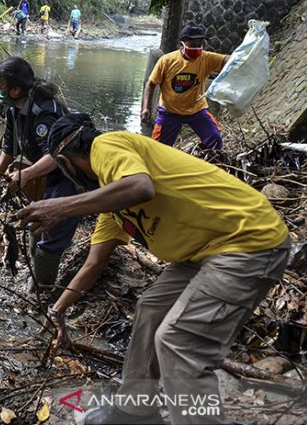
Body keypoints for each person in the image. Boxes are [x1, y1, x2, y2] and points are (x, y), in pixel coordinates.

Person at [16, 113, 291, 425]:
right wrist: (58, 310)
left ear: (66, 161)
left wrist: (61, 207)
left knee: (178, 341)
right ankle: (136, 411)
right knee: (151, 309)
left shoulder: (107, 145)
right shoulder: (112, 202)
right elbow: (94, 263)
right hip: (205, 251)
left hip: (248, 241)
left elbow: (140, 187)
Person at [0, 57, 81, 292]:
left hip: (69, 175)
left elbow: (57, 154)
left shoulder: (44, 111)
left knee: (51, 232)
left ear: (16, 89)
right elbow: (10, 146)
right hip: (45, 174)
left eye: (1, 87)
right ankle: (35, 276)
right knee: (35, 222)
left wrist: (26, 174)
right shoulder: (15, 109)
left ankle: (43, 288)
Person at [141, 25, 229, 149]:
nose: (197, 48)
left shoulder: (206, 58)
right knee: (159, 149)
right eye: (192, 45)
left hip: (196, 110)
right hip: (169, 112)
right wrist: (146, 108)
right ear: (182, 45)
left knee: (214, 139)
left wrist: (247, 55)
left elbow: (228, 60)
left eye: (199, 45)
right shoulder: (167, 61)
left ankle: (207, 162)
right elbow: (151, 84)